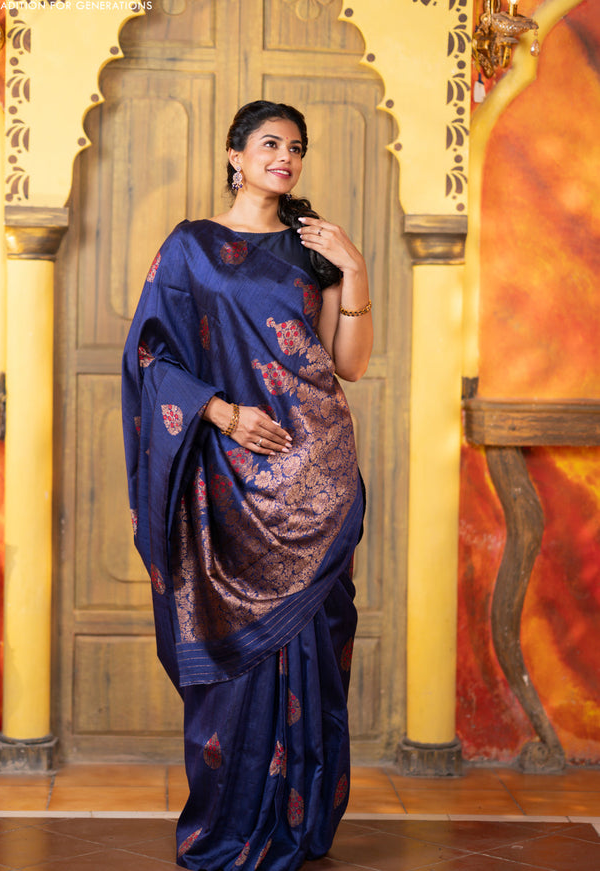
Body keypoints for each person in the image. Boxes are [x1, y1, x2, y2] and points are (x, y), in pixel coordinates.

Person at [122, 100, 373, 871]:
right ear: (235, 155)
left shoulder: (312, 246)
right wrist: (223, 413)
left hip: (316, 477)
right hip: (230, 481)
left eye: (295, 147)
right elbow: (150, 359)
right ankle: (231, 822)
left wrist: (354, 268)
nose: (284, 157)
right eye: (269, 143)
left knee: (312, 652)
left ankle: (299, 823)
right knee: (237, 665)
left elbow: (347, 363)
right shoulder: (191, 248)